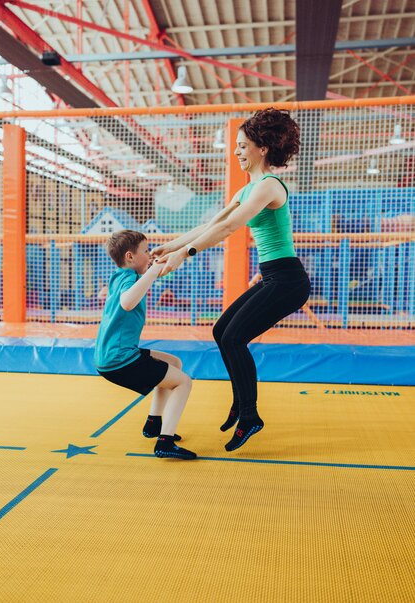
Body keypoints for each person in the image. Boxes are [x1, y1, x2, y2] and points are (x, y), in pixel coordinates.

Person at [152, 108, 311, 452]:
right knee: (222, 331)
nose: (236, 152)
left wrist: (186, 254)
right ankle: (241, 405)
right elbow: (211, 224)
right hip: (273, 276)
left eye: (242, 146)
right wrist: (173, 244)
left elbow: (228, 228)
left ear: (262, 149)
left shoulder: (268, 186)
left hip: (288, 280)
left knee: (235, 338)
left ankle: (250, 415)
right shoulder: (246, 189)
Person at [94, 229, 197, 460]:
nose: (149, 255)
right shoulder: (128, 278)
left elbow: (159, 271)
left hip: (112, 356)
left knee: (173, 363)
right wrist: (152, 270)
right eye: (146, 251)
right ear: (130, 257)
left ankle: (154, 424)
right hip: (120, 360)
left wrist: (177, 253)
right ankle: (165, 442)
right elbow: (128, 302)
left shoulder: (123, 276)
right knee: (183, 383)